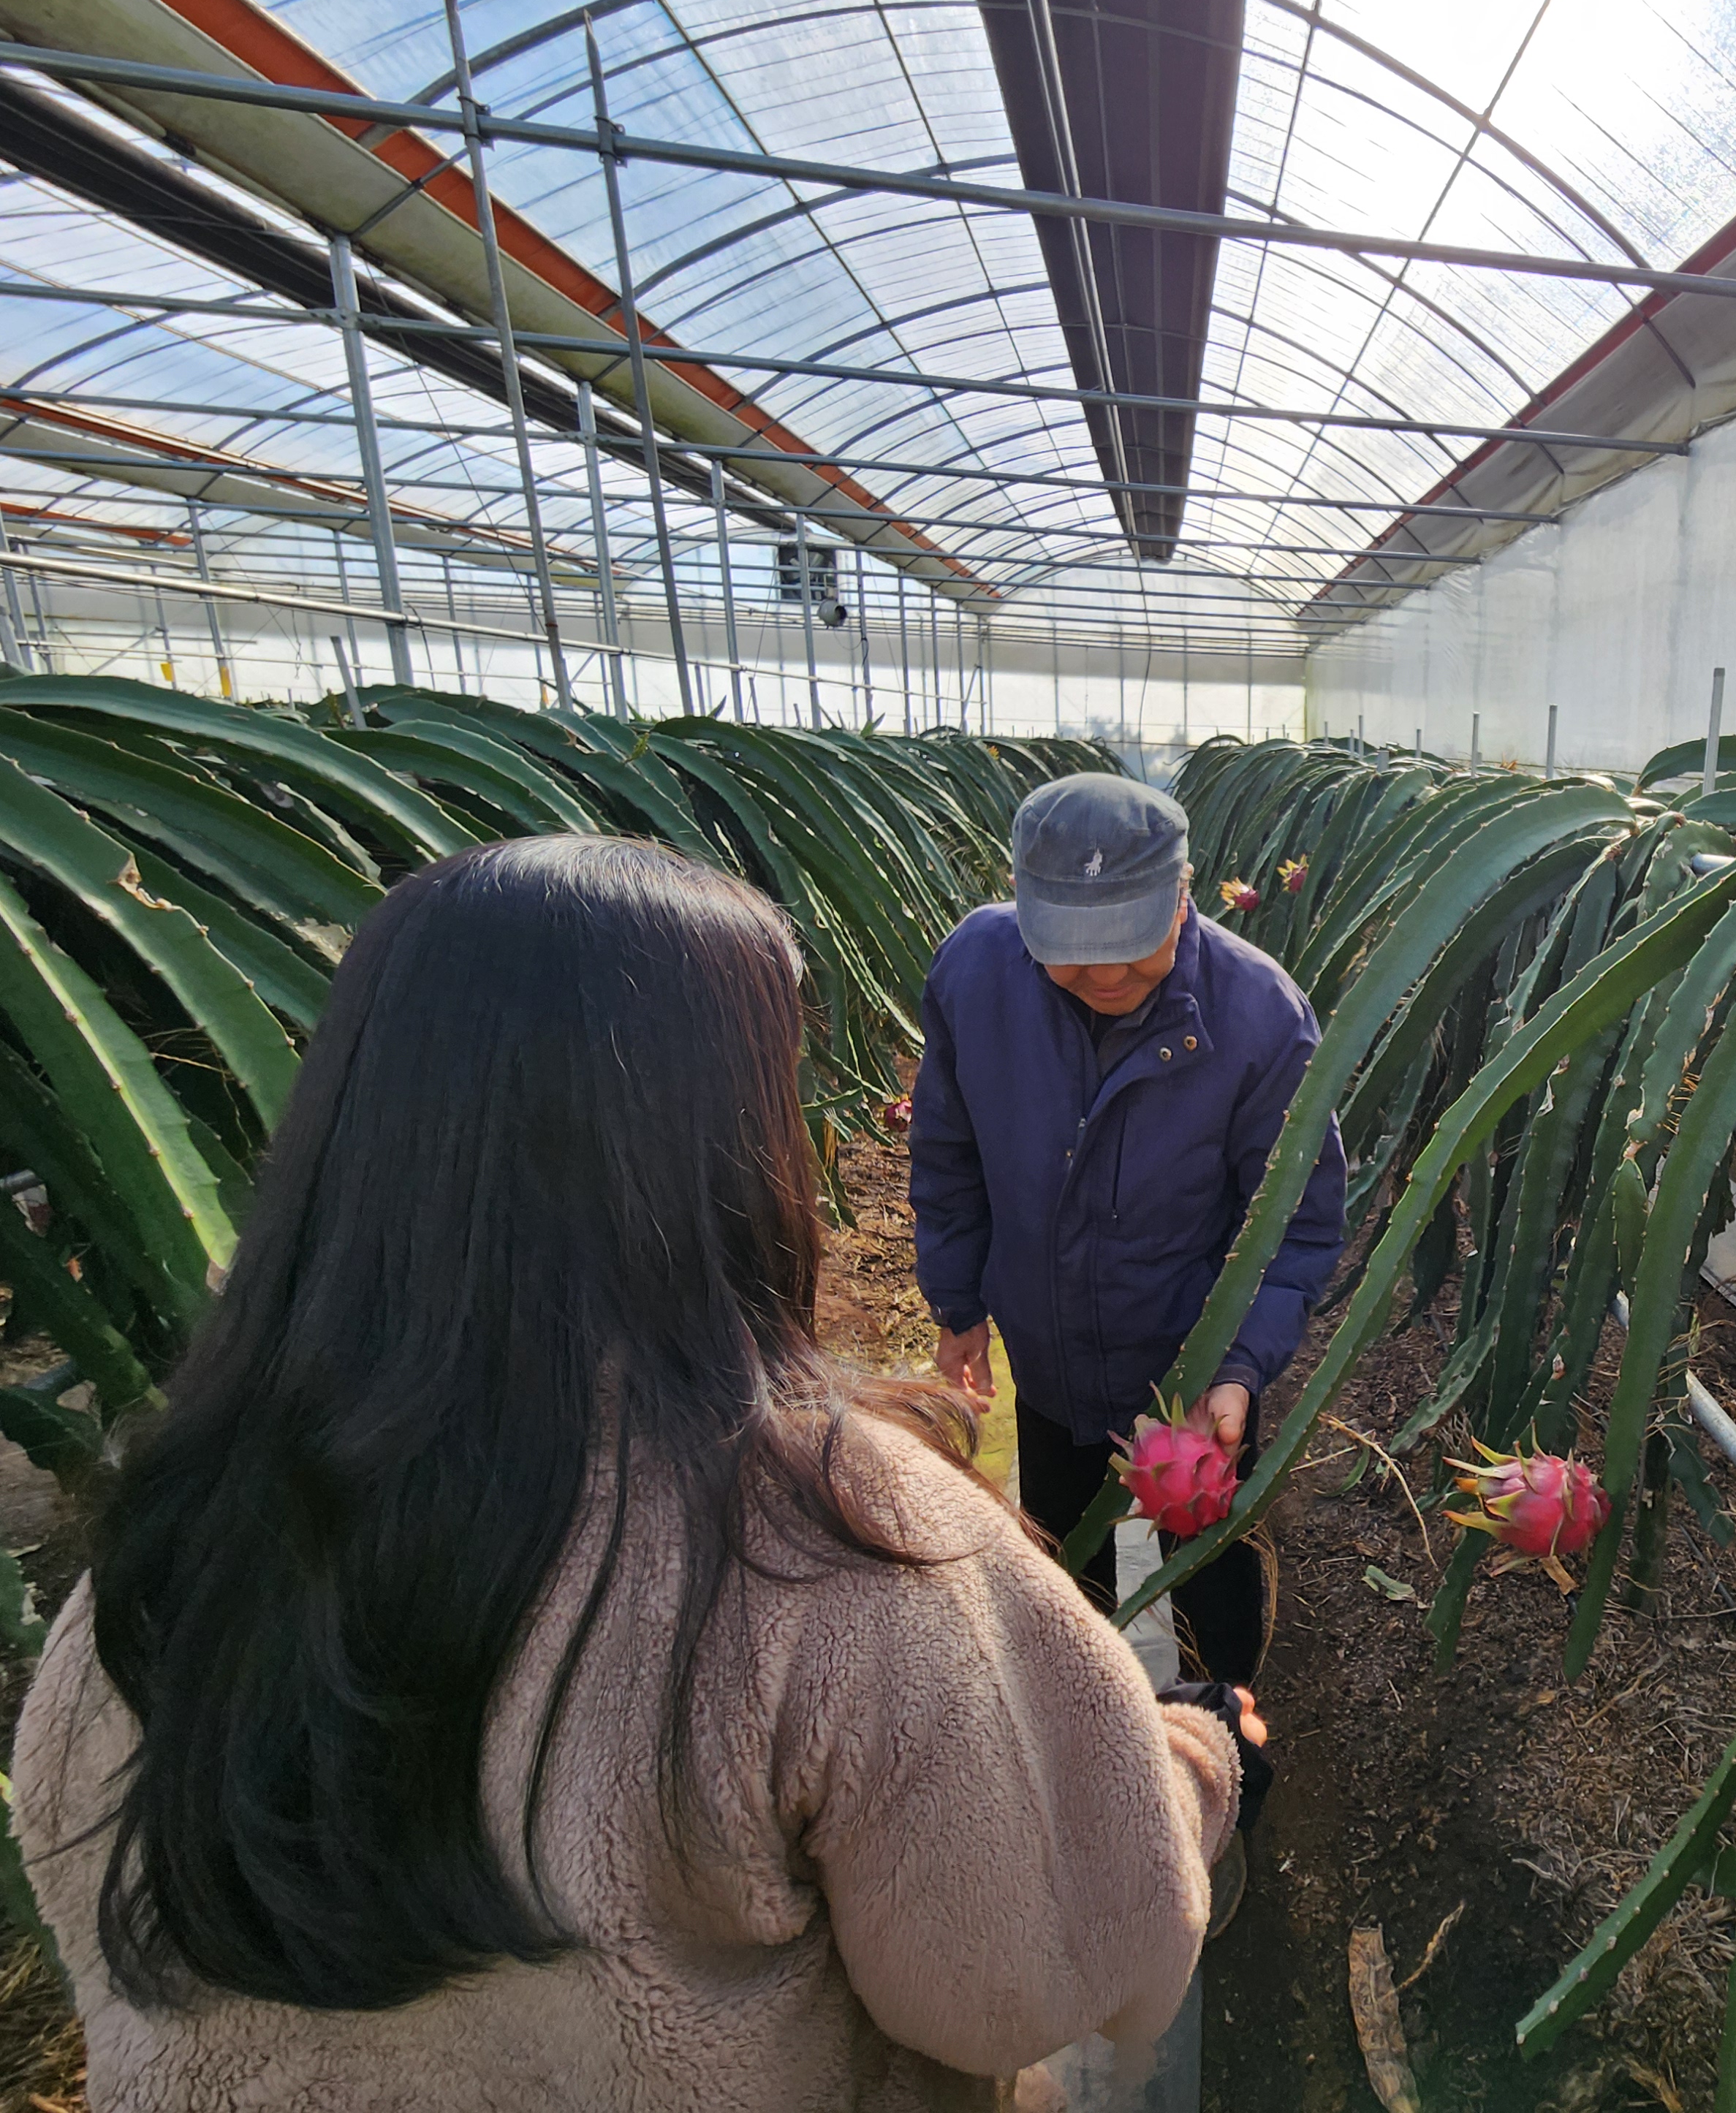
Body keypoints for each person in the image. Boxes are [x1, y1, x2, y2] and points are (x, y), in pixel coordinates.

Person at [12, 835, 1261, 2112]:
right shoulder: (834, 1543)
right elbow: (1031, 1980)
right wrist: (1187, 1768)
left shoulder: (171, 1539)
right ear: (717, 1137)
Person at [909, 771, 1346, 1691]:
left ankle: (1232, 1748)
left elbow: (1296, 1230)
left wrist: (1233, 1371)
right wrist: (957, 1306)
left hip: (1193, 1391)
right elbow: (948, 1154)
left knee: (1216, 1594)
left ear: (1184, 894)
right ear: (1022, 906)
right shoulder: (973, 976)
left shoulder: (1262, 1020)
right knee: (1071, 1582)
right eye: (1071, 947)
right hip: (1052, 1370)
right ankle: (1093, 1733)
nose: (1105, 973)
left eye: (1131, 942)